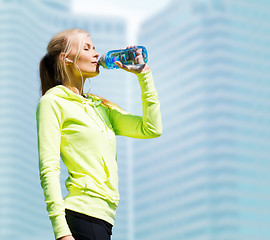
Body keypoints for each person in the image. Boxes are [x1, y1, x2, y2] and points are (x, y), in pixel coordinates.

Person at [36, 28, 162, 240]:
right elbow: (49, 168)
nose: (96, 54)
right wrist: (62, 232)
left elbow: (151, 128)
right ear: (66, 59)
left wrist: (144, 75)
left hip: (104, 219)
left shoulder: (101, 107)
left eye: (95, 48)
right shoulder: (53, 102)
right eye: (87, 48)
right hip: (82, 216)